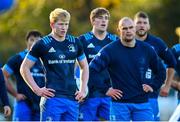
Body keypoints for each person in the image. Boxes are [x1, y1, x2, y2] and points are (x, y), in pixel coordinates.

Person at [89, 17, 166, 121]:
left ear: (135, 29)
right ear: (119, 30)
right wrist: (105, 89)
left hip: (142, 104)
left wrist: (153, 85)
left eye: (130, 27)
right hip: (119, 105)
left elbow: (161, 71)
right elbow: (91, 70)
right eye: (124, 28)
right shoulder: (110, 50)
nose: (128, 31)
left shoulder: (146, 49)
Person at [20, 8, 89, 121]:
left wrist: (82, 89)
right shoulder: (42, 44)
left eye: (66, 24)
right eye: (61, 24)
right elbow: (24, 68)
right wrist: (36, 89)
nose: (64, 27)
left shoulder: (75, 42)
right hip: (52, 99)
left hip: (72, 99)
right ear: (52, 24)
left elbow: (84, 66)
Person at [134, 11, 177, 121]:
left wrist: (167, 85)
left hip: (150, 95)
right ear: (133, 25)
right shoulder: (124, 42)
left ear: (148, 26)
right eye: (138, 22)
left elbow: (171, 63)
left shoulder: (157, 43)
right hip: (127, 96)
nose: (142, 25)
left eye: (144, 23)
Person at [77, 7, 118, 121]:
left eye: (106, 18)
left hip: (109, 93)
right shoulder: (82, 40)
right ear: (93, 21)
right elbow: (74, 67)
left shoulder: (115, 40)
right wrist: (80, 89)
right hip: (89, 94)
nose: (104, 21)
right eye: (100, 18)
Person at [2, 30, 45, 121]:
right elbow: (2, 76)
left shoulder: (45, 59)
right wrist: (15, 94)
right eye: (31, 40)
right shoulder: (19, 58)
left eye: (37, 40)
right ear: (27, 42)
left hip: (42, 103)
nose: (34, 43)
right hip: (23, 103)